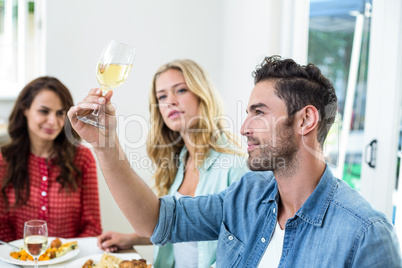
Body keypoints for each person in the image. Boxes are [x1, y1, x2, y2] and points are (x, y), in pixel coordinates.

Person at [68, 56, 402, 267]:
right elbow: (156, 221)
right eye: (247, 113)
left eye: (259, 112)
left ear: (305, 121)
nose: (243, 128)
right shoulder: (247, 194)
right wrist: (105, 144)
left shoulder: (365, 233)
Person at [96, 59, 248, 268]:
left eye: (181, 90)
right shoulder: (178, 160)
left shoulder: (236, 166)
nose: (170, 101)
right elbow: (182, 225)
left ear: (202, 94)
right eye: (162, 96)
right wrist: (132, 238)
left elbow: (244, 247)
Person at [0, 76, 102, 242]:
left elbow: (92, 226)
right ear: (25, 109)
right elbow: (1, 226)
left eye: (60, 113)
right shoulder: (5, 160)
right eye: (44, 111)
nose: (53, 121)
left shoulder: (82, 158)